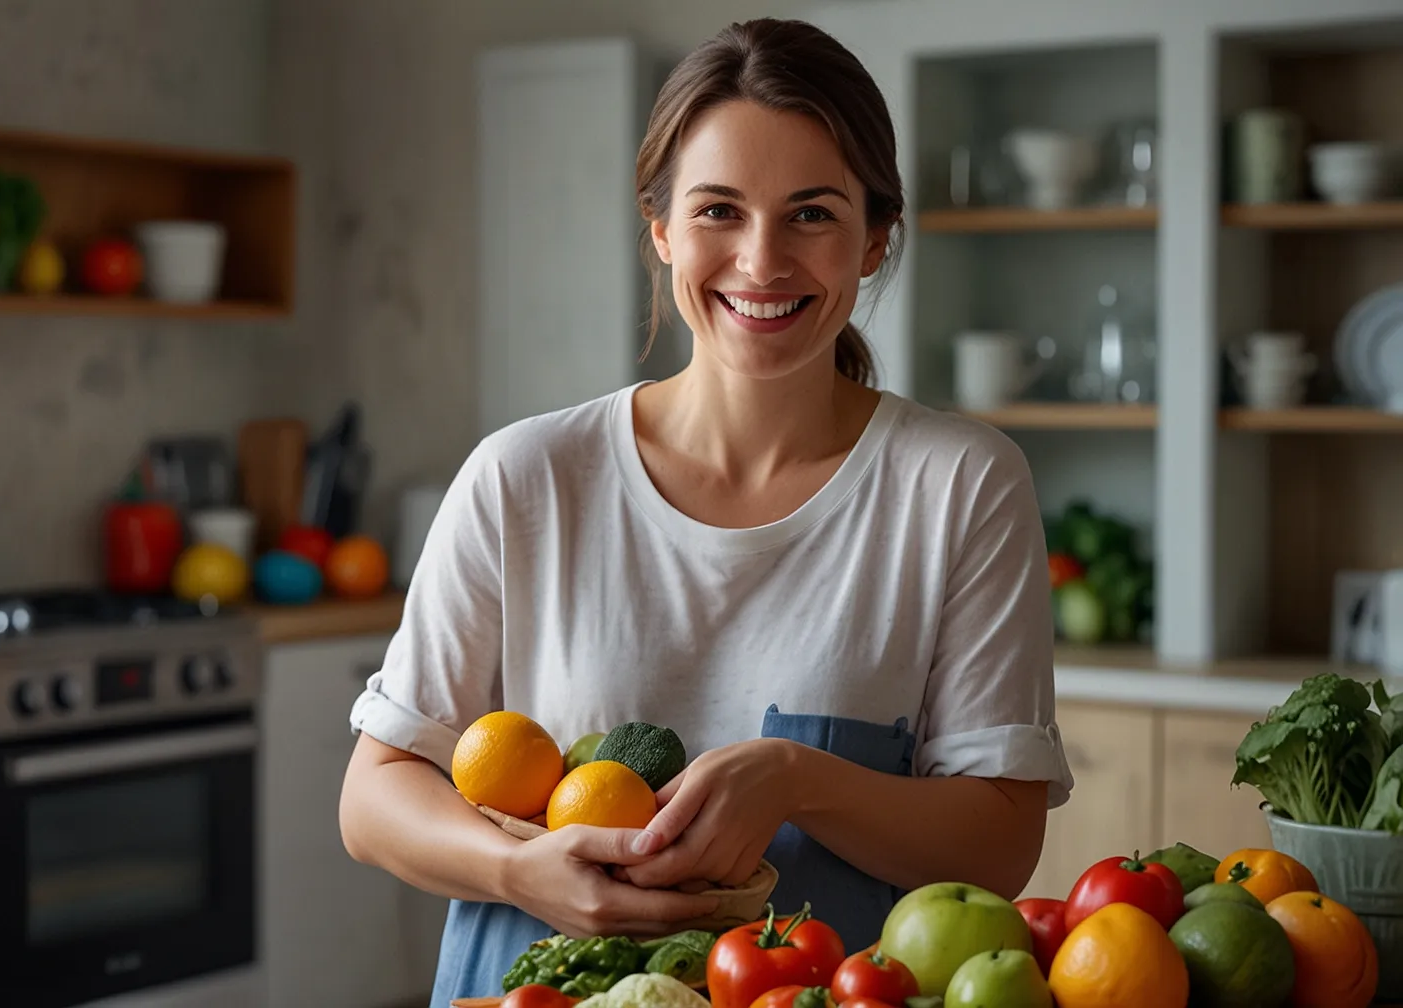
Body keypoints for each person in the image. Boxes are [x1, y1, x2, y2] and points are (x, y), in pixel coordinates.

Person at [340, 17, 1074, 1006]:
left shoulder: (960, 484)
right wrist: (518, 873)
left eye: (810, 213)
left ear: (874, 240)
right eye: (718, 210)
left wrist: (795, 778)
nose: (761, 260)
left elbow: (997, 841)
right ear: (661, 232)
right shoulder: (525, 477)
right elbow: (373, 798)